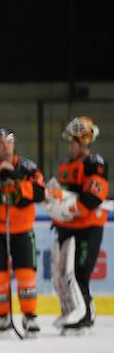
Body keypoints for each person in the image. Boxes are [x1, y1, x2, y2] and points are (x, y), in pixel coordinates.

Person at [0, 127, 45, 336]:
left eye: (8, 142)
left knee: (26, 275)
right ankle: (3, 316)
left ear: (13, 144)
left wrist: (15, 178)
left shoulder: (28, 167)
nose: (4, 146)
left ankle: (29, 315)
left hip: (22, 229)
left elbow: (39, 193)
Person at [45, 116, 108, 332]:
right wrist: (55, 201)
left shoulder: (94, 164)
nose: (69, 145)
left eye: (72, 141)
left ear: (83, 141)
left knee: (80, 273)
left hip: (88, 227)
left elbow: (93, 198)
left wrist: (69, 209)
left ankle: (84, 316)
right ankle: (73, 312)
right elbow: (64, 194)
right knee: (62, 275)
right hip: (66, 227)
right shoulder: (65, 164)